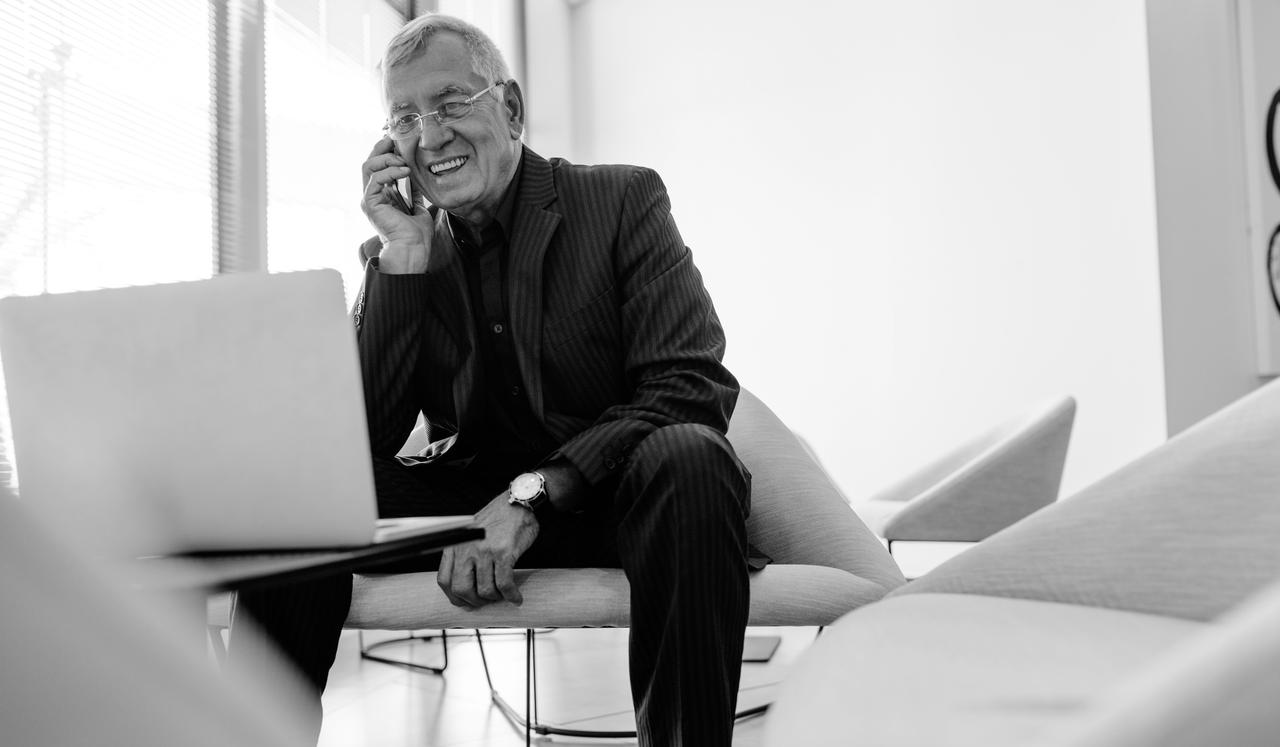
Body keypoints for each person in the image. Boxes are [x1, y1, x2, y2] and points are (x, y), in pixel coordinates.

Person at [231, 12, 753, 747]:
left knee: (694, 456)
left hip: (615, 500)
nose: (430, 135)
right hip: (466, 508)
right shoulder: (402, 252)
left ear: (508, 108)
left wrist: (530, 493)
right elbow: (359, 444)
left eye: (450, 103)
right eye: (405, 117)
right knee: (295, 488)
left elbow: (690, 384)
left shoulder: (623, 200)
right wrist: (403, 256)